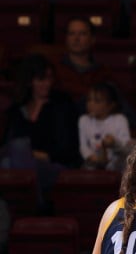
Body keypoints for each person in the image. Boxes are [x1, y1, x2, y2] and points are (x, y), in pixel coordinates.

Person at [1, 54, 81, 212]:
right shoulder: (17, 108)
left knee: (15, 151)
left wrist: (40, 155)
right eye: (40, 79)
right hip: (20, 164)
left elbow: (69, 149)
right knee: (9, 158)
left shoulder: (61, 104)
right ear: (30, 81)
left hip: (54, 164)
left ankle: (32, 206)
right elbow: (6, 143)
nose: (46, 84)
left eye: (49, 79)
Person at [78, 82, 135, 171]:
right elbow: (83, 146)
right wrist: (93, 158)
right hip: (92, 166)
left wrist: (114, 143)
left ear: (111, 105)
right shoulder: (84, 120)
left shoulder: (120, 119)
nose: (91, 104)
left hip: (116, 167)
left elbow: (126, 147)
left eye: (97, 101)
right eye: (89, 100)